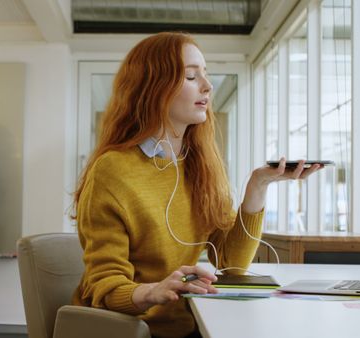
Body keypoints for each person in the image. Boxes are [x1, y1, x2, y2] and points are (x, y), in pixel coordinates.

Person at [71, 32, 322, 338]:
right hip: (132, 330)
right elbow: (104, 286)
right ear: (153, 87)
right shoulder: (112, 171)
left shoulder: (197, 164)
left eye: (205, 74)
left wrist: (259, 185)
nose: (207, 86)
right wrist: (153, 291)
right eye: (191, 75)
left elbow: (230, 264)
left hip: (190, 324)